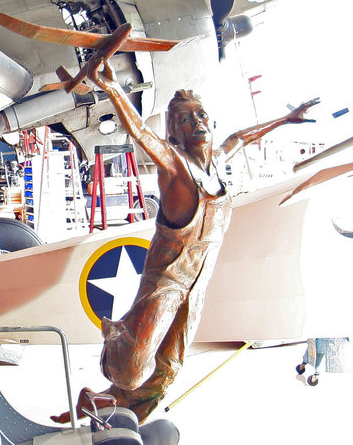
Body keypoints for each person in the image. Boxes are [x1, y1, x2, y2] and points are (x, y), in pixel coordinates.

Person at [56, 62, 317, 422]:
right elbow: (143, 137)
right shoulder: (176, 167)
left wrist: (286, 120)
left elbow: (241, 137)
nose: (197, 122)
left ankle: (105, 406)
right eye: (184, 118)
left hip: (197, 287)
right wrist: (114, 89)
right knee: (130, 369)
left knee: (166, 372)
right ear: (174, 134)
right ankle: (118, 337)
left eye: (201, 115)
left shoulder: (216, 164)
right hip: (166, 283)